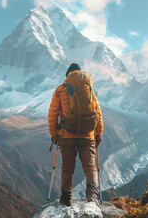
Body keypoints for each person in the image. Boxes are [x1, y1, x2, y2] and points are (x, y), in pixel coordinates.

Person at [48, 63, 103, 206]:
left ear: (68, 76)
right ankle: (92, 198)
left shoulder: (61, 89)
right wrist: (98, 134)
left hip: (67, 135)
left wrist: (54, 133)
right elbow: (97, 112)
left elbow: (52, 114)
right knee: (90, 166)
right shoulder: (89, 89)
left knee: (67, 167)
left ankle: (66, 198)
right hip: (88, 135)